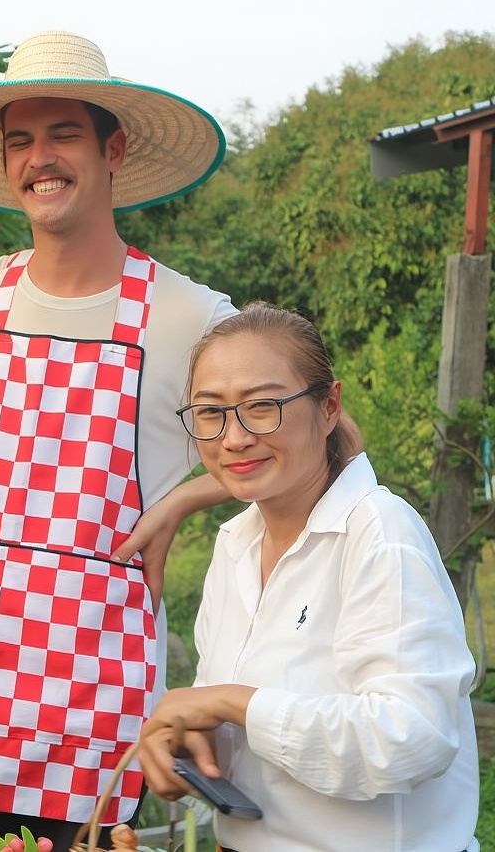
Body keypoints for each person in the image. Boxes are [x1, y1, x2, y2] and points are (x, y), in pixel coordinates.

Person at [0, 31, 237, 847]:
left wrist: (185, 499)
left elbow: (317, 432)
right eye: (20, 140)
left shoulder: (188, 315)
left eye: (62, 133)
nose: (40, 158)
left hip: (91, 719)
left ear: (113, 149)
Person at [137, 303, 479, 852]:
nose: (235, 438)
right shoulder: (234, 545)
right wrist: (190, 740)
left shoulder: (379, 533)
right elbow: (253, 736)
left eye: (263, 406)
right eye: (210, 412)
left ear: (329, 407)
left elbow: (412, 738)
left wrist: (231, 702)